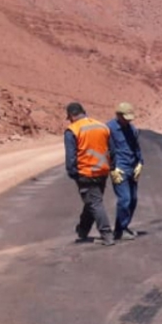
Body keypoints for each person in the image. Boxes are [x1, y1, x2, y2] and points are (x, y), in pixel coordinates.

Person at [64, 102, 115, 246]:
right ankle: (83, 230)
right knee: (92, 201)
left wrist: (73, 173)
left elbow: (71, 156)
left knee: (94, 203)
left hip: (86, 172)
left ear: (71, 116)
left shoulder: (73, 130)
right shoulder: (102, 126)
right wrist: (112, 166)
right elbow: (112, 149)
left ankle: (106, 234)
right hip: (103, 171)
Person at [107, 101, 143, 241]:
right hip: (119, 169)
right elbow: (105, 150)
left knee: (133, 199)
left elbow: (136, 148)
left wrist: (140, 163)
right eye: (124, 117)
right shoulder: (109, 128)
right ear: (118, 115)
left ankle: (124, 226)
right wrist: (112, 169)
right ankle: (119, 231)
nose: (127, 121)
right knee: (124, 199)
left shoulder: (132, 129)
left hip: (132, 167)